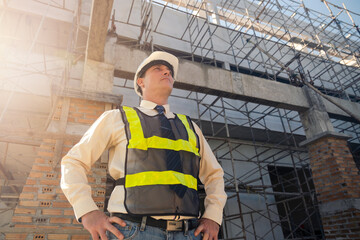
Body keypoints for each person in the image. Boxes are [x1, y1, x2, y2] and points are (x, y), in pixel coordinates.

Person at [61, 51, 227, 240]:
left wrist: (213, 216)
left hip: (189, 233)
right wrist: (87, 210)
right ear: (141, 81)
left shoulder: (191, 127)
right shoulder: (117, 118)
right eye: (158, 69)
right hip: (133, 231)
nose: (167, 73)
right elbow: (73, 162)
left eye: (169, 72)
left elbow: (215, 175)